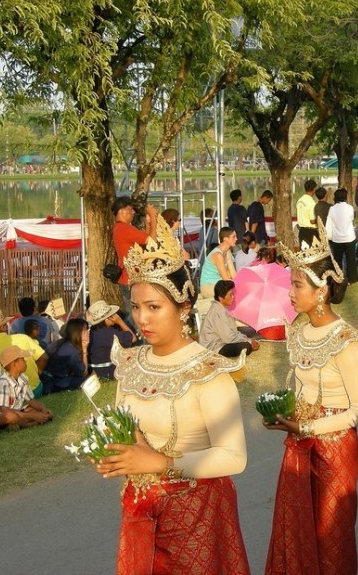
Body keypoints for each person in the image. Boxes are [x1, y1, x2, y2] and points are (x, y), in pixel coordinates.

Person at [96, 215, 250, 574]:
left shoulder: (208, 370)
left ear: (183, 307)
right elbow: (126, 431)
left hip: (197, 518)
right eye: (135, 307)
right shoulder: (131, 362)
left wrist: (162, 463)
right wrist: (114, 454)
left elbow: (234, 457)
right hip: (140, 512)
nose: (142, 319)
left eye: (154, 307)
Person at [265, 225, 358, 575]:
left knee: (331, 536)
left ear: (322, 289)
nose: (291, 293)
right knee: (295, 530)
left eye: (297, 285)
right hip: (299, 441)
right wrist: (284, 414)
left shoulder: (345, 339)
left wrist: (309, 425)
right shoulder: (297, 329)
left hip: (335, 448)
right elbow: (300, 388)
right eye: (291, 284)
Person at [112, 196, 157, 327]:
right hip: (131, 278)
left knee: (134, 314)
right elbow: (151, 242)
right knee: (136, 317)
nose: (133, 213)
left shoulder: (120, 228)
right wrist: (153, 217)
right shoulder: (124, 229)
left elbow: (144, 242)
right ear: (122, 211)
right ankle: (134, 341)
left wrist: (149, 224)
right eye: (130, 210)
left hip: (128, 278)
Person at [0, 346, 52, 430]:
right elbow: (5, 411)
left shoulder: (23, 378)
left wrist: (43, 409)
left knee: (48, 413)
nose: (25, 361)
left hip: (17, 411)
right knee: (10, 417)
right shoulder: (2, 383)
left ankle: (19, 424)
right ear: (15, 364)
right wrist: (33, 416)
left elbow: (31, 400)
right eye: (22, 359)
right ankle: (24, 424)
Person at [0, 307, 48, 396]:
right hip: (34, 390)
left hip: (6, 395)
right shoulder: (22, 338)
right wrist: (38, 372)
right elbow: (44, 357)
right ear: (4, 326)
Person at [199, 280, 259, 357]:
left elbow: (233, 332)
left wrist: (248, 339)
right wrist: (249, 341)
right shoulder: (217, 312)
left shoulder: (222, 309)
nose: (233, 297)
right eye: (230, 295)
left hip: (222, 342)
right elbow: (229, 338)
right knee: (246, 346)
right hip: (214, 348)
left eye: (233, 294)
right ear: (221, 298)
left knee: (245, 333)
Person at [87, 300, 136, 381]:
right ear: (107, 318)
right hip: (107, 371)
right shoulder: (110, 333)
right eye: (112, 315)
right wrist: (120, 321)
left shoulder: (92, 331)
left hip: (93, 370)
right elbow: (133, 338)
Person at [41, 318, 90, 394]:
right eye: (85, 329)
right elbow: (83, 372)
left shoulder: (59, 343)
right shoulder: (72, 351)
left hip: (45, 379)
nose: (88, 332)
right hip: (53, 383)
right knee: (86, 379)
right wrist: (84, 350)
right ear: (77, 332)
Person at [325, 188, 358, 284]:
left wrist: (329, 237)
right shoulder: (350, 208)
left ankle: (338, 278)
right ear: (345, 197)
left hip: (337, 239)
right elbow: (351, 219)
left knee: (338, 261)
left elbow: (329, 224)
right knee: (351, 259)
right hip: (349, 237)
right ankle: (352, 279)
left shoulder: (332, 209)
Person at [200, 226, 238, 299]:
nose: (236, 239)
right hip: (208, 286)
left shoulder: (228, 252)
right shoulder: (217, 255)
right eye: (233, 237)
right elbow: (225, 279)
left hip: (218, 284)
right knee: (232, 292)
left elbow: (233, 274)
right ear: (225, 239)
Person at [296, 179, 319, 246]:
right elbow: (312, 221)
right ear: (313, 189)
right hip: (310, 232)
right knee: (313, 254)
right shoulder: (311, 202)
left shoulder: (299, 200)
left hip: (301, 231)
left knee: (304, 253)